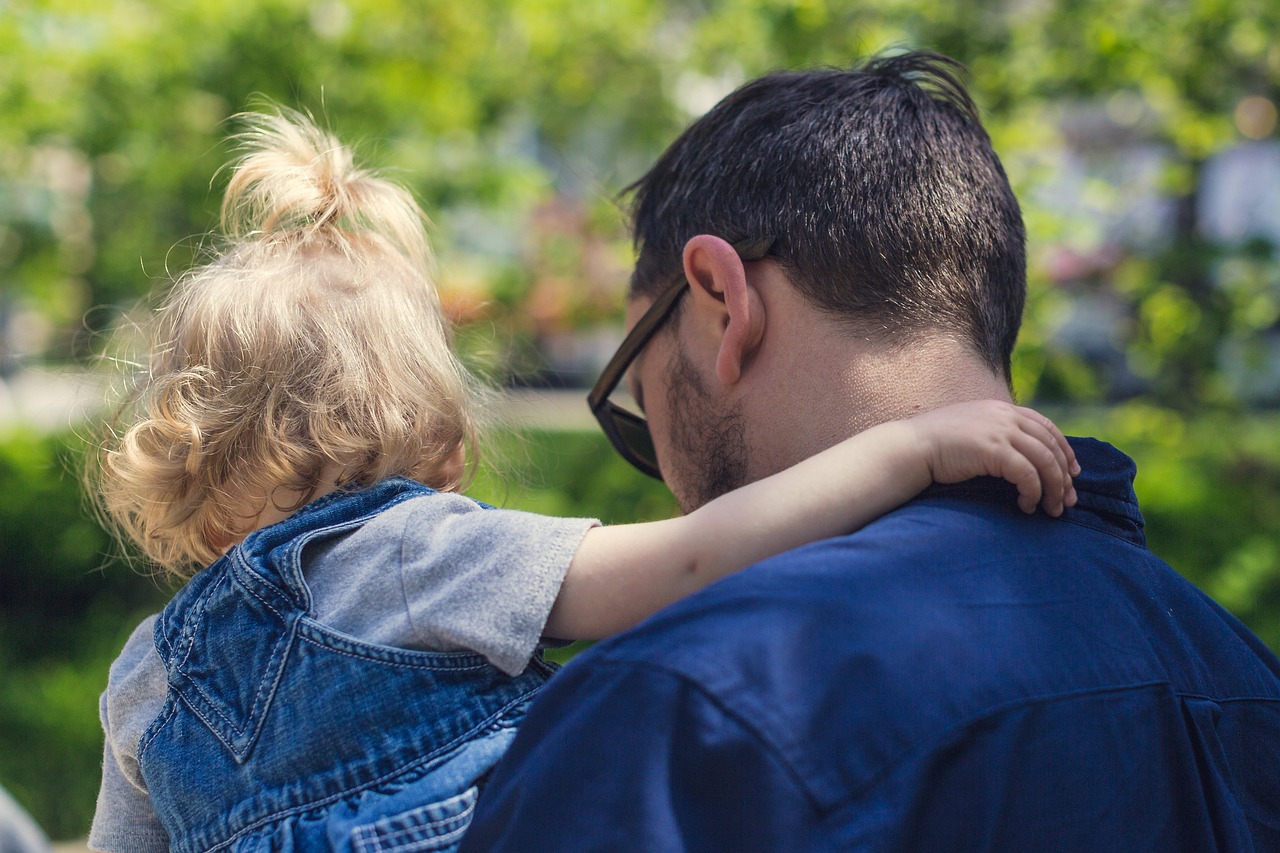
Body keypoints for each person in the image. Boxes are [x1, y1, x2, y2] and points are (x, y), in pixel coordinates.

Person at [85, 108, 1077, 852]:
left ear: (184, 458)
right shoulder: (422, 556)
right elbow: (692, 559)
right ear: (428, 425)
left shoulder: (147, 672)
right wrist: (908, 451)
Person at [461, 51, 1280, 851]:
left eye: (640, 401)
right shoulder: (1242, 675)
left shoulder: (692, 706)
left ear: (719, 298)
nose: (668, 479)